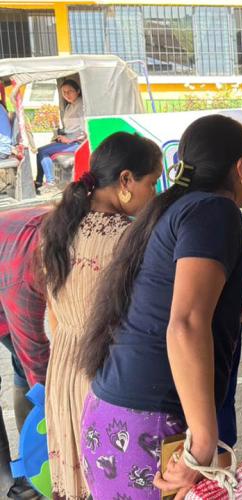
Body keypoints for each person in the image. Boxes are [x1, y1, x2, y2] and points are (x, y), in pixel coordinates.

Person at [77, 115, 242, 498]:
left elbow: (226, 282)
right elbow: (187, 322)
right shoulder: (216, 212)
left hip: (115, 414)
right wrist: (204, 442)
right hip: (153, 425)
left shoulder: (173, 208)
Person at [39, 132, 163, 499]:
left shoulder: (57, 227)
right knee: (116, 479)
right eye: (152, 182)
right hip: (108, 376)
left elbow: (53, 312)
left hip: (63, 367)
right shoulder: (130, 238)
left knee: (84, 478)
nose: (154, 193)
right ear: (126, 180)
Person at [0, 206, 50, 498]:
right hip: (10, 274)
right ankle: (11, 483)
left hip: (8, 261)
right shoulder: (26, 273)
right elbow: (37, 359)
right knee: (35, 373)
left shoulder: (64, 224)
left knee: (23, 368)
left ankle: (32, 462)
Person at [35, 79, 85, 194]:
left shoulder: (81, 105)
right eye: (64, 92)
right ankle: (38, 182)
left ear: (77, 91)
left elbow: (85, 130)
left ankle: (50, 183)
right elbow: (70, 127)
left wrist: (70, 139)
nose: (67, 94)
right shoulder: (69, 106)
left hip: (78, 144)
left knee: (43, 152)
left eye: (70, 91)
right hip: (68, 140)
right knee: (40, 150)